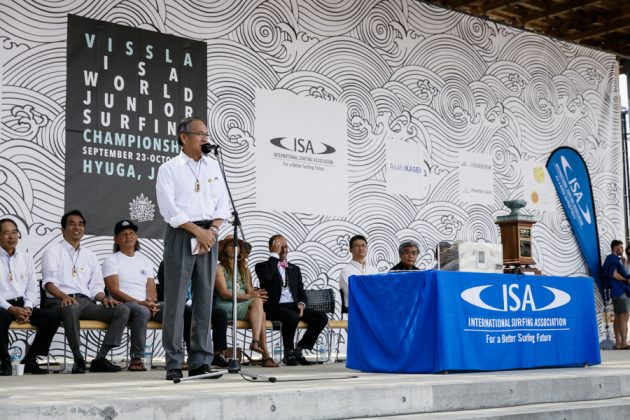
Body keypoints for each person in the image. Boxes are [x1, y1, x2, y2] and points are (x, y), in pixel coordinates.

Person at [155, 116, 230, 381]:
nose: (204, 139)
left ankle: (200, 360)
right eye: (200, 134)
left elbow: (223, 204)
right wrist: (197, 231)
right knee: (175, 300)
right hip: (181, 233)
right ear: (183, 137)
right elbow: (168, 208)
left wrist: (212, 231)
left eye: (206, 134)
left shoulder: (213, 167)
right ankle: (174, 360)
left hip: (210, 235)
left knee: (204, 299)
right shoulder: (170, 168)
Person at [42, 209, 130, 373]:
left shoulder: (90, 255)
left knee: (122, 309)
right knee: (71, 306)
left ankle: (100, 359)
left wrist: (104, 298)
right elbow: (49, 284)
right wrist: (65, 297)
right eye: (72, 224)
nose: (77, 227)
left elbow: (96, 286)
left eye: (81, 224)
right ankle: (78, 359)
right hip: (58, 301)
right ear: (62, 229)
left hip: (86, 302)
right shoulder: (52, 252)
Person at [255, 235, 328, 366]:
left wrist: (301, 304)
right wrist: (274, 256)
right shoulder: (262, 266)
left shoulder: (295, 269)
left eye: (285, 246)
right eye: (279, 247)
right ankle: (288, 353)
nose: (283, 250)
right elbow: (266, 278)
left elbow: (301, 292)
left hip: (293, 306)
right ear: (272, 248)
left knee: (321, 317)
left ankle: (298, 350)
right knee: (291, 316)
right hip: (273, 307)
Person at [0, 218, 61, 375]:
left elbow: (32, 288)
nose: (11, 237)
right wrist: (11, 308)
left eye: (14, 232)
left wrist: (27, 307)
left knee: (52, 317)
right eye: (6, 233)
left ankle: (30, 360)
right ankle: (5, 361)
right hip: (3, 305)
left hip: (22, 303)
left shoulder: (26, 258)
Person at [102, 220, 159, 371]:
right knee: (141, 311)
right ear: (116, 239)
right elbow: (114, 291)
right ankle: (136, 358)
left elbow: (151, 288)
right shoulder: (112, 260)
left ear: (137, 237)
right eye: (123, 234)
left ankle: (179, 357)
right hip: (126, 305)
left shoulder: (145, 260)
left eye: (132, 233)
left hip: (146, 305)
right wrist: (141, 303)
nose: (128, 236)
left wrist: (151, 302)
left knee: (175, 310)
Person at [215, 237, 278, 367]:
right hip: (226, 305)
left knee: (259, 305)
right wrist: (251, 296)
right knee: (260, 309)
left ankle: (258, 346)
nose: (234, 248)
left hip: (242, 304)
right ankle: (262, 350)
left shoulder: (245, 269)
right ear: (224, 250)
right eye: (230, 245)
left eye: (236, 246)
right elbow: (224, 293)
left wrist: (255, 295)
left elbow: (250, 292)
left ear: (240, 251)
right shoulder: (219, 268)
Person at [157, 261, 230, 369]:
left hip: (198, 303)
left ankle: (217, 354)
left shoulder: (202, 265)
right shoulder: (167, 264)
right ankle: (193, 355)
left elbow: (209, 288)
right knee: (188, 313)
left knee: (220, 314)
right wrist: (186, 301)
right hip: (179, 304)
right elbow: (167, 287)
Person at [602, 239, 630, 349]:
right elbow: (613, 274)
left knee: (618, 317)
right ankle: (624, 342)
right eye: (621, 247)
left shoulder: (613, 259)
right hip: (619, 291)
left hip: (616, 291)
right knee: (623, 316)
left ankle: (618, 342)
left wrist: (623, 263)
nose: (622, 250)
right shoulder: (613, 258)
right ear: (615, 248)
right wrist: (625, 280)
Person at [338, 235, 378, 309]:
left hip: (373, 306)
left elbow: (378, 290)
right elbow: (353, 292)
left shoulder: (373, 270)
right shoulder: (346, 271)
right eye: (357, 246)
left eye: (363, 245)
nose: (361, 248)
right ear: (350, 250)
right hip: (355, 308)